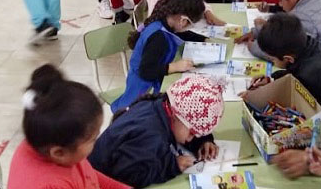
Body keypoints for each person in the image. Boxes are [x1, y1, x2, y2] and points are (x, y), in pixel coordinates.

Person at [7, 64, 131, 189]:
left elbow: (88, 174)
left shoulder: (49, 142)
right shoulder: (50, 185)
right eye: (92, 139)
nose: (96, 141)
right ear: (58, 152)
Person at [89, 75, 225, 188]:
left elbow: (183, 125)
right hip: (94, 182)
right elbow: (128, 177)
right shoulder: (151, 137)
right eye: (193, 132)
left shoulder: (159, 104)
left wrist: (202, 141)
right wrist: (171, 166)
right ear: (176, 115)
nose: (191, 138)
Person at [108, 0, 206, 112]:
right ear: (183, 21)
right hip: (141, 96)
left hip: (148, 85)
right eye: (190, 24)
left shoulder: (165, 19)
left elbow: (180, 33)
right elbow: (146, 71)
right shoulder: (158, 37)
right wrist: (174, 67)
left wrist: (205, 40)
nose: (189, 28)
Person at [244, 13, 321, 122]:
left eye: (272, 60)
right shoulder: (312, 47)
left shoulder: (309, 75)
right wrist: (272, 78)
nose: (274, 63)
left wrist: (261, 94)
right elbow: (296, 71)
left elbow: (298, 80)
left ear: (288, 58)